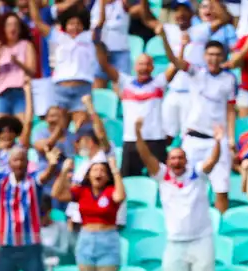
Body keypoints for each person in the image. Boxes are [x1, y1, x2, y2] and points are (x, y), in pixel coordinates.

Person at [131, 120, 223, 271]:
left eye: (180, 158)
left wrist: (217, 141)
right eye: (173, 158)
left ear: (186, 160)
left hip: (201, 240)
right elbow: (146, 157)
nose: (177, 161)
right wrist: (138, 134)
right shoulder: (163, 175)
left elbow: (212, 161)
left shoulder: (197, 173)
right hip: (175, 242)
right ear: (167, 162)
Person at [165, 39, 238, 213]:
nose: (214, 58)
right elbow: (176, 62)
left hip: (217, 140)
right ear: (205, 56)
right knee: (187, 185)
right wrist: (179, 45)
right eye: (210, 54)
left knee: (221, 188)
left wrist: (230, 138)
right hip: (193, 138)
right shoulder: (196, 73)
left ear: (223, 57)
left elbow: (230, 110)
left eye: (218, 55)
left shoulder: (229, 79)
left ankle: (220, 224)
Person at [97, 24, 173, 175]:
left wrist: (167, 39)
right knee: (127, 180)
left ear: (153, 67)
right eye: (141, 64)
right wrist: (96, 41)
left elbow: (175, 64)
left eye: (148, 64)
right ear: (135, 67)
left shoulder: (159, 83)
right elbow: (104, 65)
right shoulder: (125, 82)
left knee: (163, 179)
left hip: (155, 139)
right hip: (131, 139)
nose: (144, 67)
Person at [0, 147, 61, 271]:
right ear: (9, 163)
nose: (19, 164)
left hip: (31, 245)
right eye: (16, 160)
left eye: (22, 160)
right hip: (7, 245)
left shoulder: (33, 180)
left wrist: (52, 164)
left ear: (27, 162)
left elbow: (46, 175)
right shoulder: (1, 180)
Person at [53, 155, 126, 271]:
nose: (99, 173)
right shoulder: (82, 191)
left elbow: (120, 196)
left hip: (108, 240)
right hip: (86, 239)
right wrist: (64, 171)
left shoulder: (111, 191)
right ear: (88, 175)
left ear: (108, 176)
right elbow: (57, 194)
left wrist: (115, 170)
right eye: (95, 170)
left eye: (103, 170)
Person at [29, 1, 95, 115]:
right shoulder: (57, 36)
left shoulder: (88, 38)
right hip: (60, 90)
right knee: (58, 124)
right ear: (65, 25)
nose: (75, 27)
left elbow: (101, 22)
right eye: (71, 24)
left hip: (82, 89)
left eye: (79, 24)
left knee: (82, 124)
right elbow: (37, 22)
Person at [0, 12, 38, 120]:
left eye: (15, 25)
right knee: (1, 126)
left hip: (21, 92)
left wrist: (17, 62)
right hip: (2, 94)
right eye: (9, 25)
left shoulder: (26, 45)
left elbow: (32, 71)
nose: (13, 28)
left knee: (22, 125)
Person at [90, 0, 141, 90]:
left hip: (121, 52)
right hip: (101, 53)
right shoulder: (95, 5)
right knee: (98, 89)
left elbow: (138, 8)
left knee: (121, 89)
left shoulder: (123, 3)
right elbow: (94, 32)